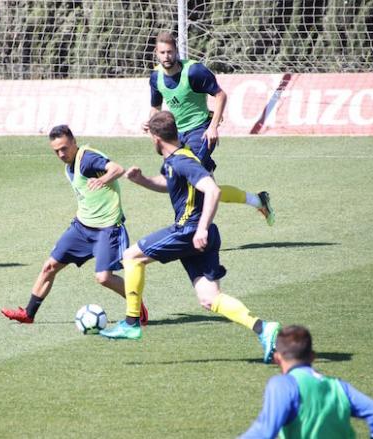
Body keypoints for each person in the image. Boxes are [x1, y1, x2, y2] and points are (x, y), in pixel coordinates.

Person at [101, 111, 280, 365]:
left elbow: (213, 189)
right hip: (195, 235)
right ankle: (264, 329)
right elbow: (169, 183)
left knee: (131, 257)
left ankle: (131, 322)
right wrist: (141, 180)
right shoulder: (175, 159)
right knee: (210, 299)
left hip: (188, 231)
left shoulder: (183, 161)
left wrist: (202, 228)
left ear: (155, 139)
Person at [1, 125, 148, 324]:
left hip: (107, 229)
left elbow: (117, 169)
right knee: (49, 267)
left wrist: (103, 179)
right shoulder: (69, 166)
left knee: (104, 278)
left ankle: (136, 305)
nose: (61, 154)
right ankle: (28, 314)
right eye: (56, 151)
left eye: (64, 148)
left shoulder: (87, 159)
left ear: (74, 142)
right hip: (81, 228)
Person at [142, 31, 275, 226]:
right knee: (208, 187)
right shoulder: (156, 77)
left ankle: (194, 229)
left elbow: (221, 95)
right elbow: (156, 107)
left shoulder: (194, 71)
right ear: (156, 52)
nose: (167, 57)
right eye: (162, 53)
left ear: (176, 51)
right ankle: (258, 201)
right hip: (176, 136)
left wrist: (213, 127)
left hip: (200, 132)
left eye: (170, 52)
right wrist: (150, 122)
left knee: (190, 182)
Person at [240, 325, 373, 438]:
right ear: (313, 356)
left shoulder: (283, 385)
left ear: (277, 358)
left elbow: (265, 432)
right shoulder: (339, 386)